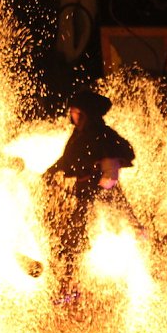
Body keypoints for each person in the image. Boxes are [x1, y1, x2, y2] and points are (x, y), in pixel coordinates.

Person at [43, 90, 136, 293]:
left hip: (102, 191)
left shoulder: (102, 134)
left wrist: (105, 168)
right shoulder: (79, 135)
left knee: (120, 227)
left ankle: (133, 274)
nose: (72, 116)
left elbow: (123, 152)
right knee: (76, 233)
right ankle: (72, 279)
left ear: (84, 113)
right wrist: (51, 172)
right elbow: (67, 159)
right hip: (85, 190)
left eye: (75, 112)